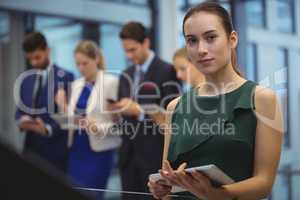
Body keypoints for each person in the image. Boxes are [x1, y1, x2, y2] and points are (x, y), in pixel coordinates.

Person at [148, 2, 283, 200]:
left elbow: (264, 182)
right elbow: (170, 180)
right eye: (192, 41)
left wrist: (216, 195)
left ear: (232, 39)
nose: (201, 49)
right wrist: (161, 188)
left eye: (210, 38)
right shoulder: (175, 107)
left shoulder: (262, 99)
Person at [108, 21, 181, 200]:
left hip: (153, 157)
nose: (129, 55)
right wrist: (117, 112)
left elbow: (172, 117)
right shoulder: (125, 74)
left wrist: (139, 111)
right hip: (128, 158)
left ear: (146, 43)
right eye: (125, 50)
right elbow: (125, 116)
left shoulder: (168, 71)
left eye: (132, 50)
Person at [55, 40, 121, 200]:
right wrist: (62, 107)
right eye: (78, 64)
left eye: (85, 63)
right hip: (76, 149)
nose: (81, 68)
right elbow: (72, 119)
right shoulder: (76, 85)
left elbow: (120, 125)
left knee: (93, 195)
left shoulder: (111, 82)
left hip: (99, 151)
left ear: (96, 59)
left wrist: (98, 127)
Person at [15, 32, 74, 171]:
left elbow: (70, 117)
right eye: (30, 59)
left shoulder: (66, 77)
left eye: (37, 57)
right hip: (30, 150)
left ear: (47, 50)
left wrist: (47, 129)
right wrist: (23, 120)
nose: (33, 63)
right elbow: (18, 112)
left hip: (55, 151)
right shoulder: (26, 79)